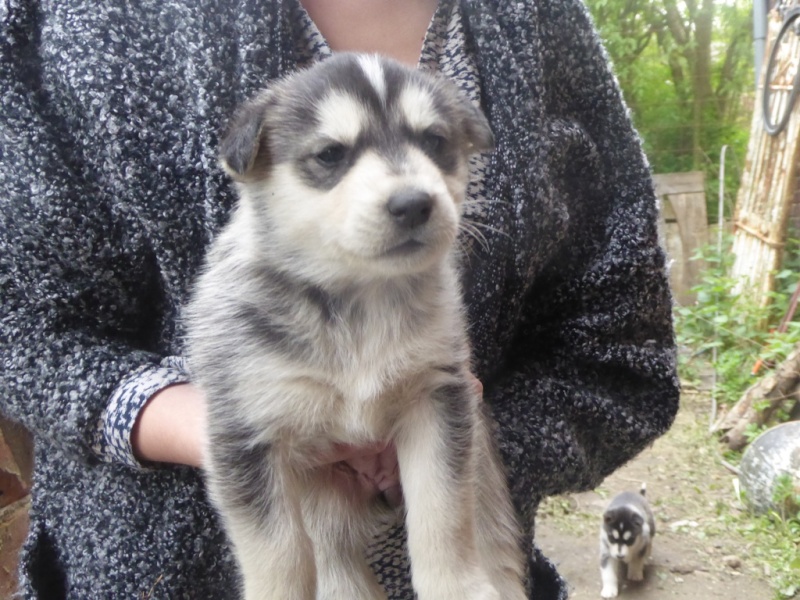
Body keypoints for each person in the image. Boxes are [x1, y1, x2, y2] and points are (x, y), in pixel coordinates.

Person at [0, 0, 680, 598]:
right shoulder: (68, 17)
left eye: (435, 143)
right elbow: (20, 325)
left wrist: (482, 447)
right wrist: (199, 421)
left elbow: (618, 352)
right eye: (331, 155)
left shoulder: (538, 18)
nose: (409, 187)